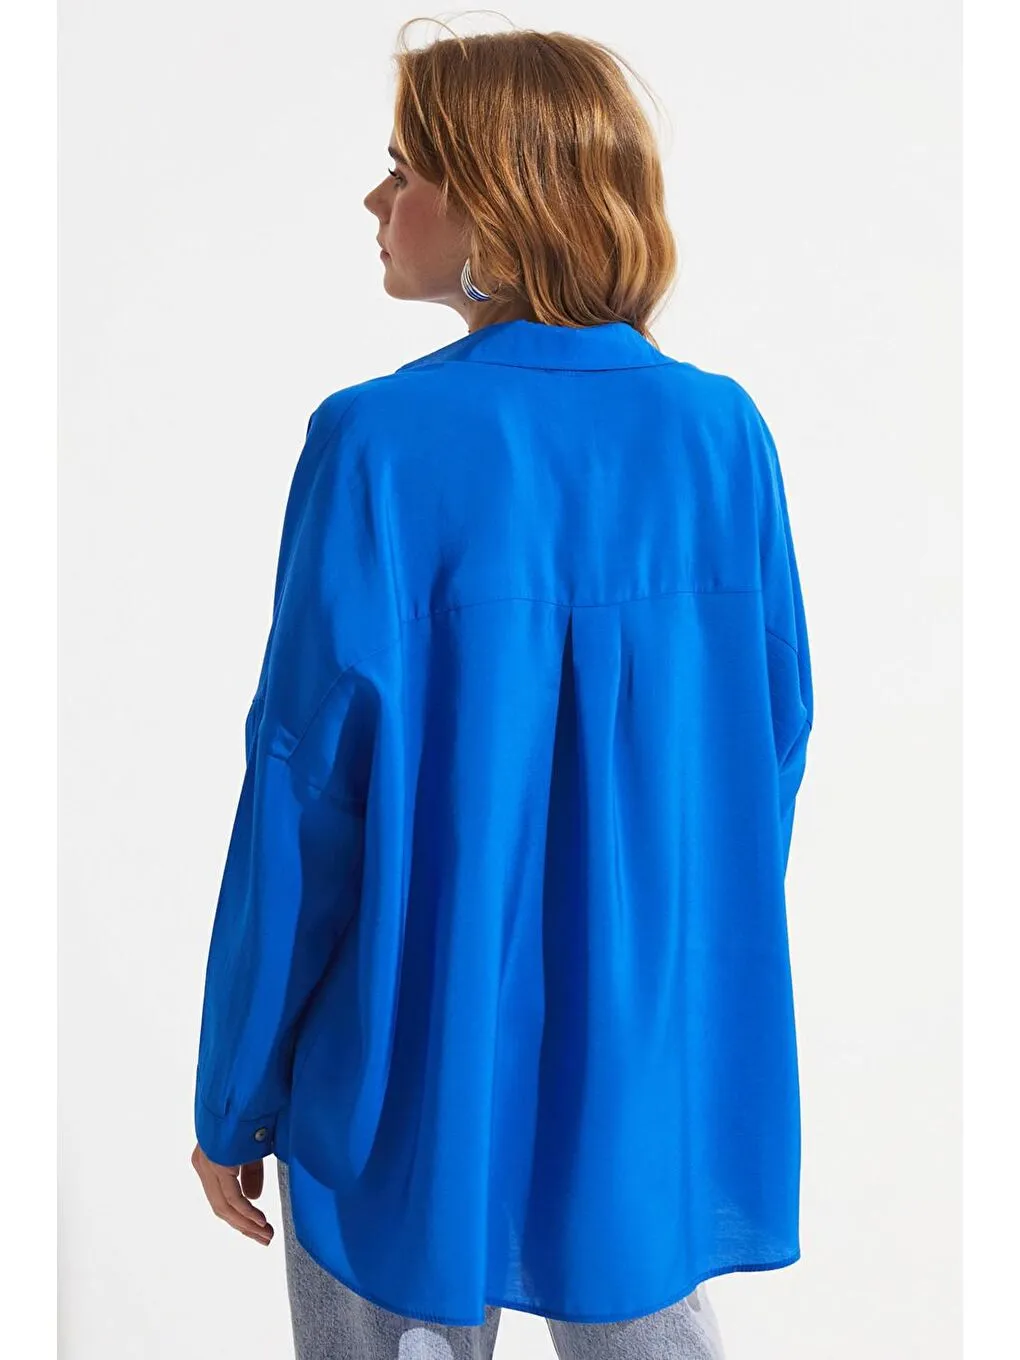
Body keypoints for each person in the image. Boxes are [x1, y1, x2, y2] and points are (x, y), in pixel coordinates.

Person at [190, 22, 813, 1360]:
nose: (375, 199)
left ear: (496, 199)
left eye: (404, 168)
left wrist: (234, 1088)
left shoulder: (375, 441)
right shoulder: (721, 436)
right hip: (633, 1052)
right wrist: (643, 965)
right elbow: (766, 747)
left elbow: (303, 789)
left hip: (403, 1044)